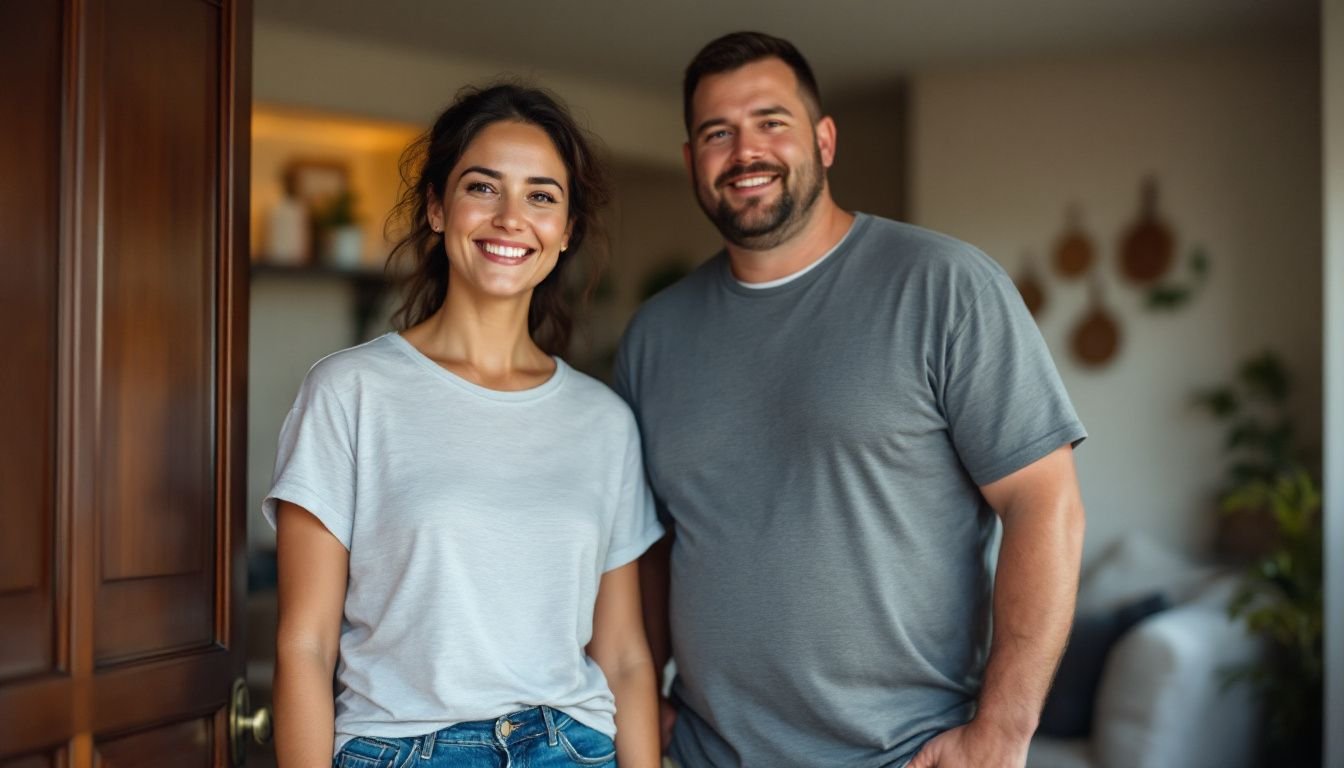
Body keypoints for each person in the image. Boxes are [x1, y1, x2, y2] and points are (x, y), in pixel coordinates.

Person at [614, 32, 1088, 768]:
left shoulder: (945, 287)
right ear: (691, 162)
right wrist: (645, 696)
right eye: (718, 133)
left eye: (772, 122)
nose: (746, 152)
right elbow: (652, 546)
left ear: (824, 140)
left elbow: (1044, 503)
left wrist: (1003, 729)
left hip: (904, 755)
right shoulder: (655, 335)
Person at [267, 84, 663, 768]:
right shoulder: (350, 393)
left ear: (566, 230)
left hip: (571, 747)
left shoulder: (603, 422)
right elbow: (304, 645)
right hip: (403, 747)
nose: (512, 218)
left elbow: (625, 656)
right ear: (435, 207)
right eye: (484, 187)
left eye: (542, 196)